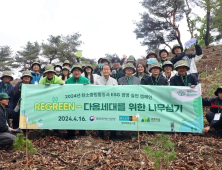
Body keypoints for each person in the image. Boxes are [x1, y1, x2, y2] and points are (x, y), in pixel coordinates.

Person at [65, 64, 89, 139]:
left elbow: (90, 92)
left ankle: (82, 134)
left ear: (81, 72)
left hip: (82, 103)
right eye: (75, 70)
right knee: (70, 117)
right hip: (71, 103)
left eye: (78, 70)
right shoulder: (68, 81)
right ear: (72, 72)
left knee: (82, 118)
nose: (76, 72)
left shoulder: (85, 80)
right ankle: (70, 134)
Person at [95, 64, 118, 140]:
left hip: (111, 103)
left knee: (112, 118)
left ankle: (113, 135)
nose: (106, 71)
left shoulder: (114, 81)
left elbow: (117, 93)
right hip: (100, 102)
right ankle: (101, 134)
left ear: (110, 71)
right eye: (104, 69)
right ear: (102, 71)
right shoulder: (97, 81)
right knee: (100, 117)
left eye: (107, 69)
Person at [39, 64, 63, 137]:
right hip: (46, 101)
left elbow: (61, 90)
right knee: (45, 115)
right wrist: (44, 87)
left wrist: (61, 86)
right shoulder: (42, 80)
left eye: (51, 72)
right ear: (45, 73)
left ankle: (56, 130)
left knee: (56, 115)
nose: (50, 74)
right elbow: (39, 91)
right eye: (48, 72)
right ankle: (45, 130)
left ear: (54, 72)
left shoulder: (58, 79)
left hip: (56, 100)